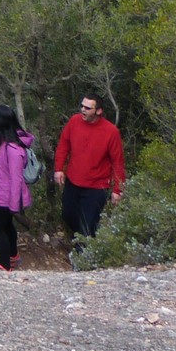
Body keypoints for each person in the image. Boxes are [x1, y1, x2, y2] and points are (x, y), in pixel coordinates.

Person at [53, 94, 125, 241]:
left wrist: (117, 190)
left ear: (98, 111)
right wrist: (59, 169)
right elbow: (63, 145)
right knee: (67, 215)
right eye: (82, 106)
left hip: (96, 187)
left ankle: (82, 251)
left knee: (87, 226)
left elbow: (117, 162)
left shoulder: (111, 132)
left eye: (87, 107)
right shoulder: (74, 121)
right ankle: (80, 241)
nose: (83, 110)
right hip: (73, 182)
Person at [0, 106, 35, 272]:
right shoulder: (3, 145)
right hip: (3, 194)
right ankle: (13, 256)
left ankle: (5, 265)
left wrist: (14, 205)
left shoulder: (12, 149)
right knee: (6, 225)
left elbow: (16, 179)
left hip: (7, 197)